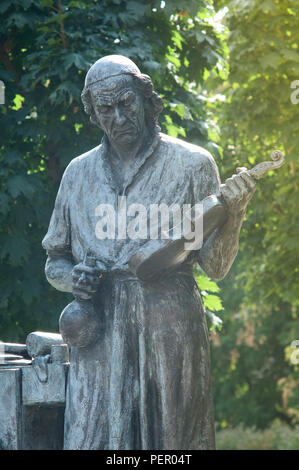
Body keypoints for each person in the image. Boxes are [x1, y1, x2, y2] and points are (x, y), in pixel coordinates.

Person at [42, 55, 256, 450]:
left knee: (175, 444)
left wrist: (235, 214)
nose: (119, 117)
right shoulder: (78, 173)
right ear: (94, 112)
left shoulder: (192, 165)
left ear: (145, 97)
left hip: (170, 327)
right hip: (99, 330)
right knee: (92, 438)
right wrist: (73, 278)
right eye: (106, 109)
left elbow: (216, 266)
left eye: (126, 102)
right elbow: (55, 259)